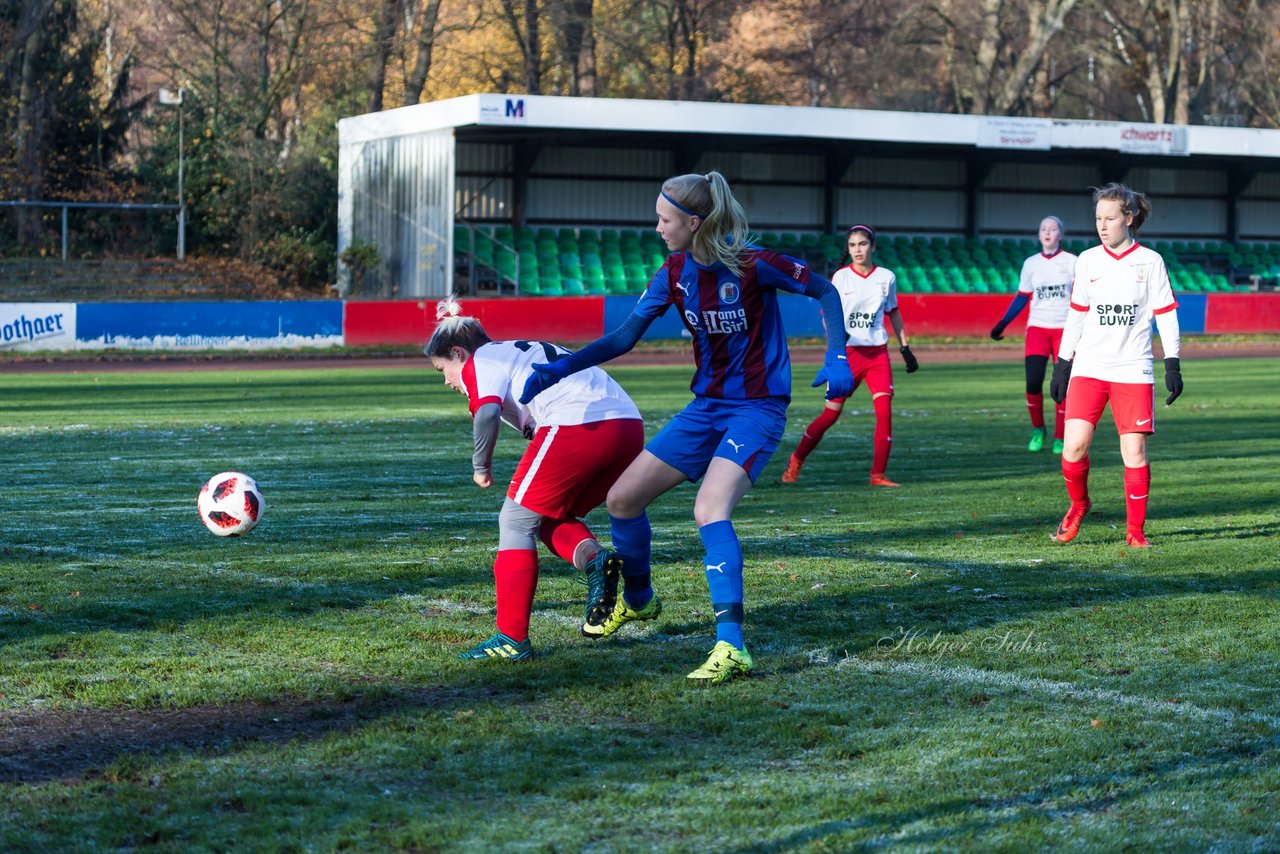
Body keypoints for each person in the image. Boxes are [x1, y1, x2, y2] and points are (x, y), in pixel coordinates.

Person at [519, 172, 854, 684]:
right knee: (622, 499)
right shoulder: (673, 272)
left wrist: (836, 354)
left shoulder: (752, 263)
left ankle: (731, 646)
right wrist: (561, 367)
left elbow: (827, 291)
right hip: (704, 409)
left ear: (693, 222)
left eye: (665, 219)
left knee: (709, 508)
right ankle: (638, 601)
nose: (657, 227)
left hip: (756, 409)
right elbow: (626, 336)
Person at [425, 298, 645, 661]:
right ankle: (595, 562)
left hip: (579, 423)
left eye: (441, 369)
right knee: (545, 518)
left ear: (458, 353)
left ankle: (511, 638)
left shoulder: (483, 360)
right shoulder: (514, 351)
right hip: (628, 427)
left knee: (514, 521)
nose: (447, 381)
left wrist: (481, 466)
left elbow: (487, 414)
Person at [1049, 183, 1183, 547]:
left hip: (1132, 369)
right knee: (1073, 447)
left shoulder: (1151, 261)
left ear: (1129, 218)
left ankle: (1135, 531)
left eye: (1110, 218)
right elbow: (1076, 315)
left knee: (1134, 452)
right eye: (1098, 219)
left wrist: (1173, 363)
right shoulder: (1088, 260)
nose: (1102, 226)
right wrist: (1063, 364)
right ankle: (1079, 505)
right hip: (1089, 367)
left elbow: (1167, 315)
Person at [780, 224, 918, 487]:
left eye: (862, 244)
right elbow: (827, 315)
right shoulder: (841, 277)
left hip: (877, 354)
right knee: (830, 414)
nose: (857, 249)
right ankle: (796, 460)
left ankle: (878, 475)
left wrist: (905, 348)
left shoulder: (886, 277)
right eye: (852, 245)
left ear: (872, 247)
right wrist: (835, 348)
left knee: (884, 412)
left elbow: (894, 312)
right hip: (848, 355)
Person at [990, 216, 1077, 454]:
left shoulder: (1073, 262)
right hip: (1037, 329)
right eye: (1043, 229)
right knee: (1033, 383)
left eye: (1053, 229)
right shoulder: (1031, 263)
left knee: (1063, 385)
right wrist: (1003, 323)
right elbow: (1022, 297)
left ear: (1061, 234)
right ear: (1039, 235)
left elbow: (1082, 298)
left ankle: (1061, 437)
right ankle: (1038, 429)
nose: (1047, 232)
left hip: (1064, 331)